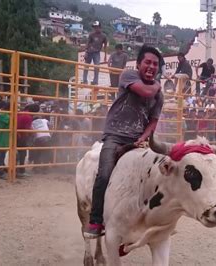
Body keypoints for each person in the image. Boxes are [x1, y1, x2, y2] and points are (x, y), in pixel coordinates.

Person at [84, 45, 164, 238]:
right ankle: (95, 221)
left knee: (155, 175)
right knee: (104, 175)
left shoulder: (159, 95)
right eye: (148, 62)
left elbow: (153, 121)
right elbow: (145, 92)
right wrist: (158, 85)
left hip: (138, 140)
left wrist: (143, 139)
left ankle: (144, 218)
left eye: (155, 64)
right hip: (115, 136)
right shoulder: (128, 76)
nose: (152, 66)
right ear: (138, 64)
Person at [82, 21, 108, 85]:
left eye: (97, 27)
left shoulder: (104, 36)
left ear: (100, 27)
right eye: (94, 27)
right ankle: (84, 80)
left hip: (97, 53)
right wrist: (86, 52)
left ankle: (95, 81)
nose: (96, 29)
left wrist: (105, 55)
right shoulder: (91, 34)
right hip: (89, 52)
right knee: (86, 66)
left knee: (97, 67)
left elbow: (105, 46)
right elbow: (87, 43)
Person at [0, 101, 10, 180]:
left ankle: (7, 169)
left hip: (7, 137)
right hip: (3, 138)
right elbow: (10, 120)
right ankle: (1, 173)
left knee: (4, 155)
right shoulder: (3, 114)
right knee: (1, 156)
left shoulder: (6, 114)